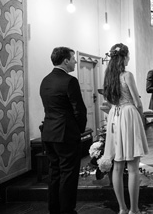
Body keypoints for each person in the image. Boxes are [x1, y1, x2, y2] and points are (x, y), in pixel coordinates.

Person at [101, 43, 149, 214]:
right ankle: (134, 209)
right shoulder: (127, 75)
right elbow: (138, 102)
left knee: (118, 166)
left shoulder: (109, 77)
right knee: (133, 166)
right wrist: (141, 119)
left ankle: (122, 208)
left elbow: (108, 102)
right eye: (128, 55)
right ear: (123, 57)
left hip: (115, 115)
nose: (129, 58)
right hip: (129, 114)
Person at [40, 47, 87, 214]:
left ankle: (54, 209)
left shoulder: (45, 80)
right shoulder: (70, 81)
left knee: (54, 173)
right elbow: (79, 109)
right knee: (68, 174)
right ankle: (67, 210)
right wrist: (80, 130)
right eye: (73, 58)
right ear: (66, 61)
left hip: (48, 133)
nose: (75, 61)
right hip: (66, 134)